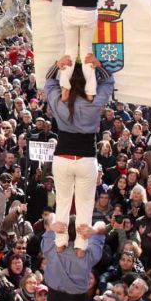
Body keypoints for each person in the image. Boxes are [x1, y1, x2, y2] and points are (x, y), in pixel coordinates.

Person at [44, 53, 114, 252]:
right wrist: (98, 66)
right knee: (84, 206)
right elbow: (108, 82)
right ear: (88, 85)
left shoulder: (58, 101)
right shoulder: (94, 103)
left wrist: (58, 65)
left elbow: (48, 82)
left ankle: (60, 243)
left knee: (63, 204)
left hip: (63, 159)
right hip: (86, 160)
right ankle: (81, 247)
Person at [41, 214, 106, 301]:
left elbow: (50, 217)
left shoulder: (50, 247)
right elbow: (102, 226)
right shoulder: (88, 254)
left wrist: (54, 226)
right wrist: (93, 230)